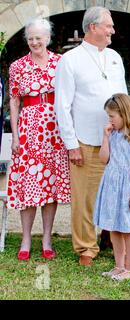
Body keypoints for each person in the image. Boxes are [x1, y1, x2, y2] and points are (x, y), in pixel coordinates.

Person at [54, 7, 127, 266]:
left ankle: (111, 236)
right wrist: (71, 144)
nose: (112, 31)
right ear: (93, 27)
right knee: (85, 198)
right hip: (85, 139)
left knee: (116, 192)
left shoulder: (115, 57)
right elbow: (61, 106)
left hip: (118, 140)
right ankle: (86, 246)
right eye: (109, 26)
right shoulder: (70, 60)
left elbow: (124, 99)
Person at [7, 18, 71, 261]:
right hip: (29, 129)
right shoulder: (18, 66)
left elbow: (69, 95)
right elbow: (14, 101)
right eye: (31, 38)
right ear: (27, 40)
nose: (35, 42)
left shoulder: (60, 62)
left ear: (47, 38)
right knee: (28, 184)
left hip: (55, 130)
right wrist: (15, 135)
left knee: (50, 185)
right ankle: (25, 238)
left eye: (39, 37)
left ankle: (46, 238)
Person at [94, 93, 130, 281]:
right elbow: (103, 159)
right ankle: (118, 265)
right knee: (114, 228)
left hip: (128, 189)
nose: (110, 120)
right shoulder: (113, 134)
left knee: (127, 230)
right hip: (111, 186)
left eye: (112, 116)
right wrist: (105, 137)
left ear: (124, 113)